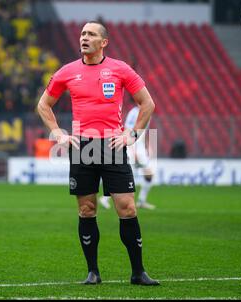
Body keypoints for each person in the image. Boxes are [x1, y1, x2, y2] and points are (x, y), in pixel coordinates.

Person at [37, 21, 159, 286]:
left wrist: (132, 135)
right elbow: (44, 105)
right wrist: (57, 132)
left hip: (113, 145)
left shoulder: (120, 69)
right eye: (82, 33)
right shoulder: (67, 72)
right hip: (83, 147)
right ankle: (93, 272)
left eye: (91, 34)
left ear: (104, 42)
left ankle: (138, 272)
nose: (84, 37)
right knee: (87, 209)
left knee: (127, 208)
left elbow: (147, 103)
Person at [100, 105, 156, 210]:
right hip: (132, 147)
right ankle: (105, 198)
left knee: (149, 175)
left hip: (140, 148)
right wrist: (132, 149)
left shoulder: (147, 111)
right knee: (120, 174)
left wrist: (148, 145)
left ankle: (141, 201)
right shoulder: (134, 112)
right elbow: (127, 130)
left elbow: (144, 131)